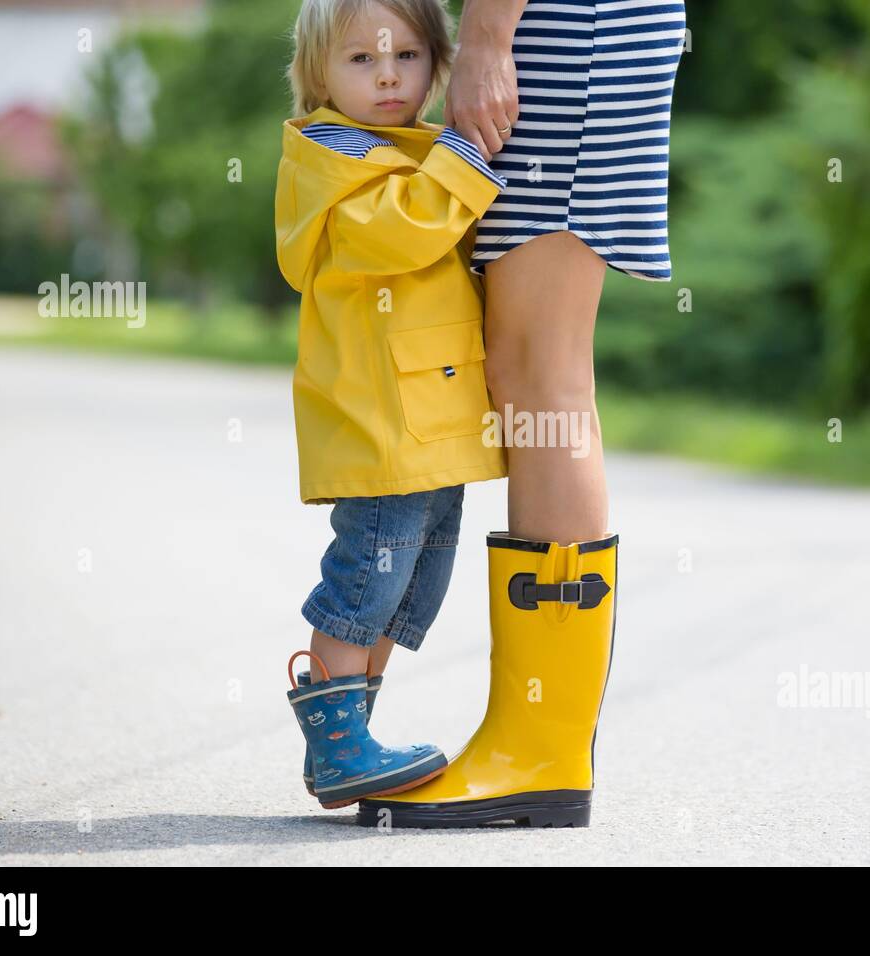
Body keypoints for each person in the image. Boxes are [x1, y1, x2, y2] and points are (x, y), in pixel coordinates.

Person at [358, 0, 686, 828]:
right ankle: (533, 742)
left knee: (544, 374)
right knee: (525, 370)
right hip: (572, 32)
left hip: (568, 33)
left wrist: (489, 36)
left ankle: (538, 748)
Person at [275, 0, 510, 809]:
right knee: (368, 578)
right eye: (361, 61)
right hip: (382, 422)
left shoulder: (409, 149)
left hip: (428, 422)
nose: (386, 76)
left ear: (436, 62)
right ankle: (339, 745)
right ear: (318, 75)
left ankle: (349, 742)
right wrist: (467, 154)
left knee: (416, 577)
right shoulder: (333, 154)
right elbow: (402, 231)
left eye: (407, 57)